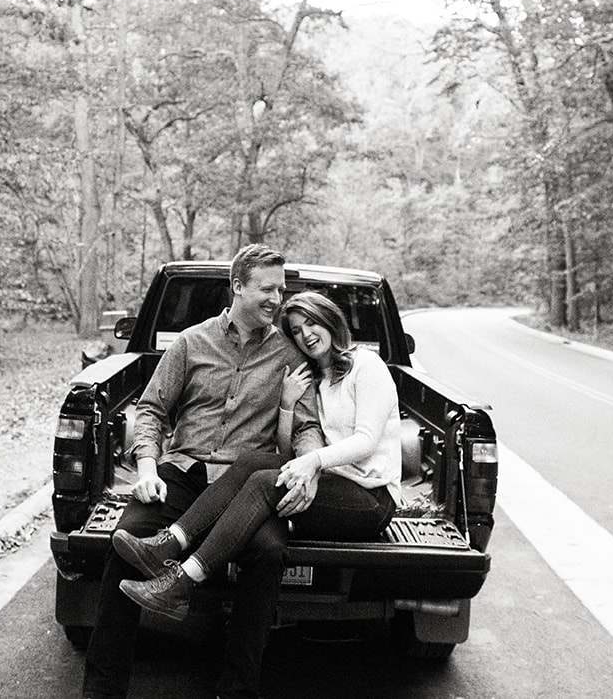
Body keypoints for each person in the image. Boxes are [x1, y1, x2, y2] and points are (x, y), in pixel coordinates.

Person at [81, 244, 324, 699]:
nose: (277, 298)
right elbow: (151, 410)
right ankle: (103, 689)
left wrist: (308, 467)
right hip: (183, 472)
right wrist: (148, 466)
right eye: (267, 288)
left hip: (246, 488)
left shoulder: (291, 357)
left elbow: (307, 426)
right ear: (237, 287)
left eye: (282, 288)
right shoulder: (191, 342)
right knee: (126, 538)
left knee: (269, 553)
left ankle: (237, 690)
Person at [111, 290, 401, 629]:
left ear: (331, 321)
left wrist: (313, 464)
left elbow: (366, 441)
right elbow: (287, 451)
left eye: (312, 323)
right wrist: (288, 405)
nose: (305, 334)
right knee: (252, 462)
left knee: (264, 483)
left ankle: (183, 582)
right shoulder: (317, 378)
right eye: (295, 330)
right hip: (334, 485)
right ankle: (170, 542)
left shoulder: (366, 365)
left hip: (370, 499)